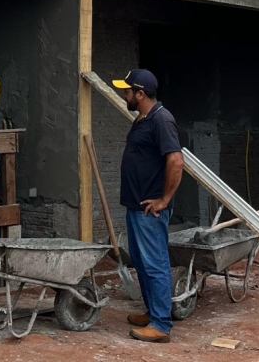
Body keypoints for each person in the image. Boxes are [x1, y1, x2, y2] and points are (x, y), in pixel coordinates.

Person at [113, 69, 183, 343]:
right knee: (142, 262)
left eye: (128, 91)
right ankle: (152, 311)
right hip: (136, 205)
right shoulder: (143, 118)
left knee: (155, 263)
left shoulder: (161, 120)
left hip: (150, 209)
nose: (124, 94)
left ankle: (161, 324)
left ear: (140, 94)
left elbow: (176, 161)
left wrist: (163, 200)